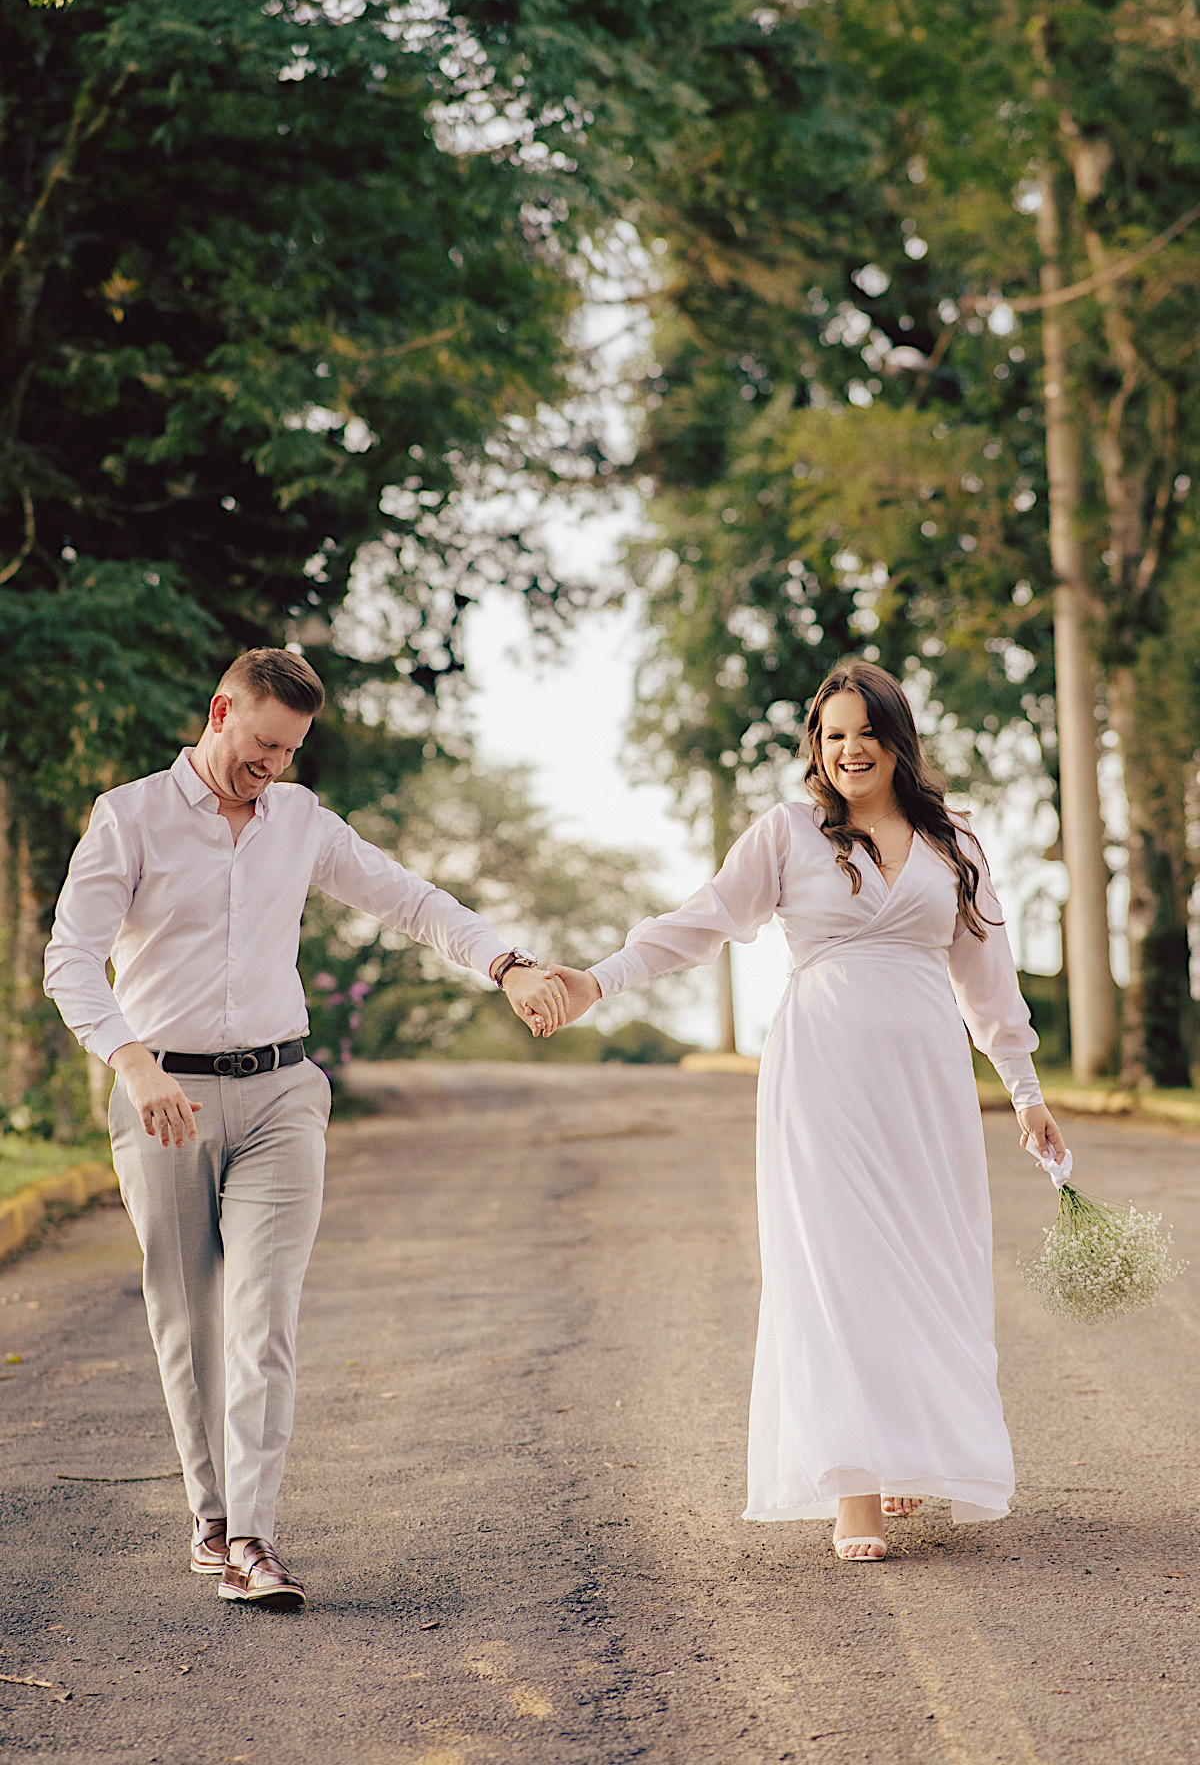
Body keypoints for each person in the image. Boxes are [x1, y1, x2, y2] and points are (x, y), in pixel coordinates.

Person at [44, 648, 567, 1608]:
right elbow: (71, 960)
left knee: (264, 1312)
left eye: (289, 751)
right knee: (189, 1315)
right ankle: (209, 1518)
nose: (272, 767)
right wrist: (132, 1062)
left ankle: (252, 1536)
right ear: (219, 711)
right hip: (164, 1096)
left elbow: (408, 898)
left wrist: (508, 964)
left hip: (283, 1091)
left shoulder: (300, 820)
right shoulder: (131, 817)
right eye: (261, 745)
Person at [547, 659, 1065, 1562]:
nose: (850, 749)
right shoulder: (789, 834)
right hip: (821, 1073)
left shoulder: (956, 844)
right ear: (815, 752)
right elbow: (703, 920)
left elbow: (989, 983)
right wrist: (602, 978)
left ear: (897, 739)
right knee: (838, 1259)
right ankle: (853, 1490)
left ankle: (910, 1450)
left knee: (926, 1256)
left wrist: (1026, 1095)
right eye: (833, 736)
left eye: (866, 731)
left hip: (926, 1080)